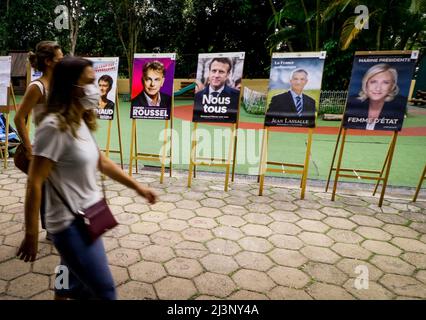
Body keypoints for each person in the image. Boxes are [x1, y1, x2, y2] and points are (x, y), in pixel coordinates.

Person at [16, 57, 157, 300]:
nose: (96, 88)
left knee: (68, 269)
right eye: (89, 82)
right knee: (104, 291)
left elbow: (100, 161)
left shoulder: (79, 118)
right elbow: (35, 182)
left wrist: (138, 187)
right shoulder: (53, 126)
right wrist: (31, 235)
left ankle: (61, 293)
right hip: (70, 224)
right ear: (71, 87)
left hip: (88, 214)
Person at [14, 41, 63, 240]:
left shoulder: (59, 84)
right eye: (60, 59)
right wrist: (28, 148)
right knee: (47, 188)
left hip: (61, 146)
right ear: (50, 62)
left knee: (57, 188)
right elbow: (19, 118)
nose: (63, 61)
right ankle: (51, 230)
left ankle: (58, 227)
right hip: (44, 148)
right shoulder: (38, 87)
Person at [344, 63, 406, 130]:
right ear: (366, 83)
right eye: (373, 82)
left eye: (385, 82)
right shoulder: (352, 103)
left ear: (392, 86)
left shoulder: (399, 106)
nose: (378, 88)